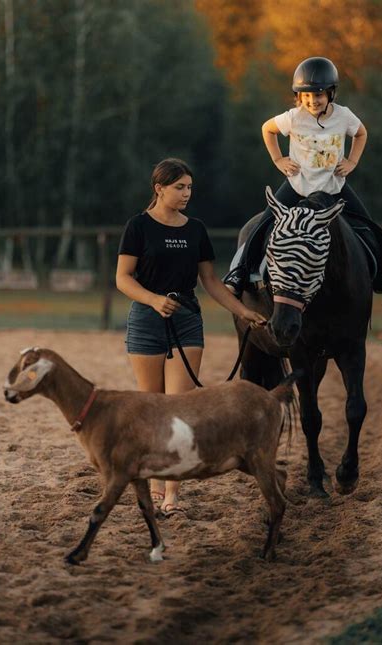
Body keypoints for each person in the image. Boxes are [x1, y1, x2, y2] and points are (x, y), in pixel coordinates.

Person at [116, 158, 265, 517]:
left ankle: (171, 496)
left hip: (186, 322)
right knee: (151, 408)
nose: (187, 194)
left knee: (178, 408)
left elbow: (210, 282)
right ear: (159, 188)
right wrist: (153, 300)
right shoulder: (138, 227)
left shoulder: (195, 229)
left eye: (189, 188)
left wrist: (243, 312)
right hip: (146, 321)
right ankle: (152, 487)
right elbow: (123, 278)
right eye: (180, 187)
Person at [223, 56, 382, 305]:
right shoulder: (294, 117)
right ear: (299, 96)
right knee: (262, 225)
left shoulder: (344, 116)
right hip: (298, 186)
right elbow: (267, 129)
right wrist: (279, 159)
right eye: (305, 96)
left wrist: (352, 162)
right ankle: (240, 272)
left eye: (318, 94)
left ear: (331, 93)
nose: (312, 101)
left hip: (334, 188)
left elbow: (361, 133)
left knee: (368, 228)